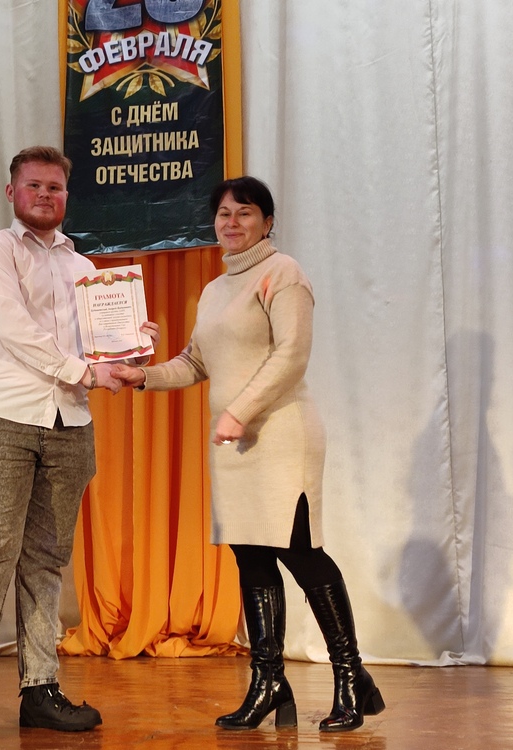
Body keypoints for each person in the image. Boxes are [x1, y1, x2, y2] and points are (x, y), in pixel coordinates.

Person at [112, 176, 385, 733]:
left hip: (280, 434)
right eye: (223, 213)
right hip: (235, 442)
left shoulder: (284, 273)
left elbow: (292, 354)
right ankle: (268, 682)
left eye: (245, 212)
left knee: (303, 554)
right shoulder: (215, 289)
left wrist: (239, 411)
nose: (231, 222)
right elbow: (195, 362)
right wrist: (142, 376)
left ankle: (349, 676)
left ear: (268, 222)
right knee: (251, 559)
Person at [0, 146, 157, 741]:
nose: (44, 195)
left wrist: (133, 345)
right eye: (34, 185)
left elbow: (99, 348)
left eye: (55, 187)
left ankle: (40, 689)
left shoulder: (85, 269)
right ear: (11, 192)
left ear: (67, 196)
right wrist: (86, 371)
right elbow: (13, 329)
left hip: (69, 423)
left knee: (46, 560)